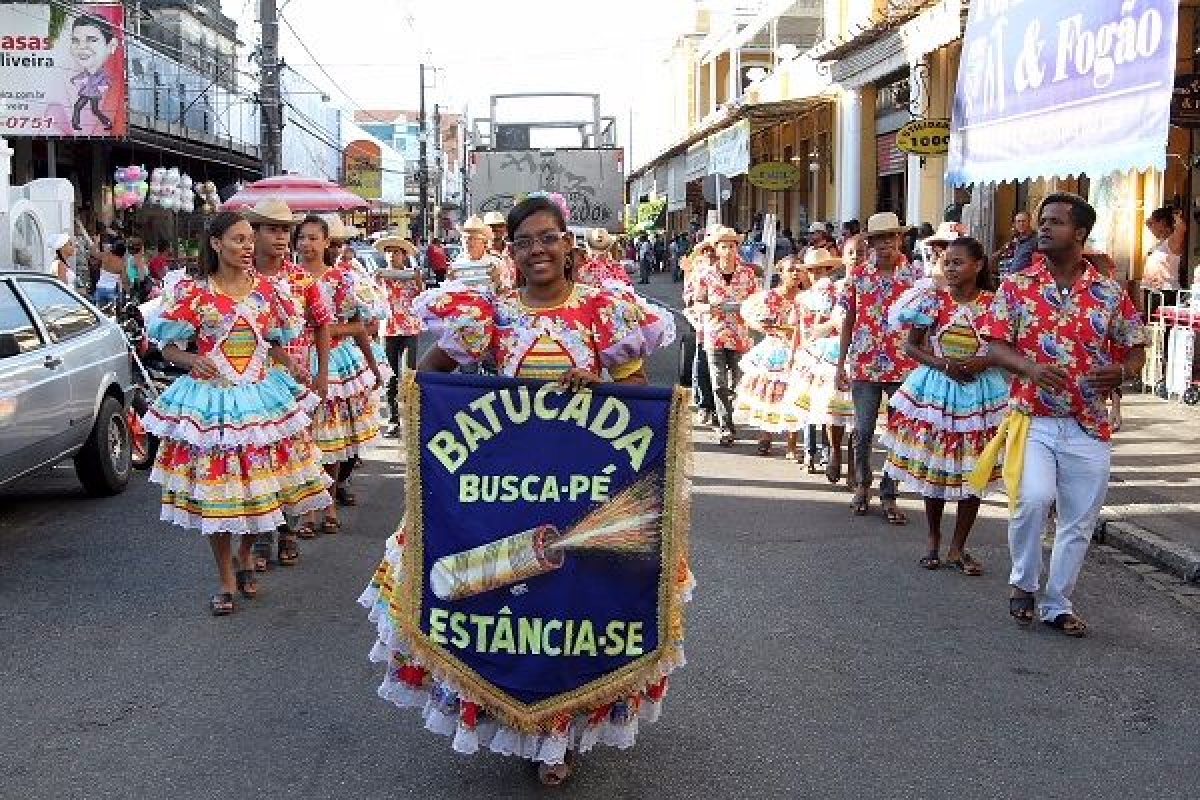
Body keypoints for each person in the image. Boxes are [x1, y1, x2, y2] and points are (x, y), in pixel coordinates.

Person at [363, 194, 678, 786]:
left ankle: (556, 740)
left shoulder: (605, 310)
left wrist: (602, 386)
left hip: (583, 483)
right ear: (510, 251)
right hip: (505, 484)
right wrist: (450, 411)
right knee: (510, 605)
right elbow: (430, 374)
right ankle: (520, 717)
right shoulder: (490, 315)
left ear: (568, 245)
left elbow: (638, 392)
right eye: (525, 241)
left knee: (572, 607)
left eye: (548, 237)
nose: (538, 250)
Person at [142, 211, 331, 615]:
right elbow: (167, 347)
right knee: (220, 493)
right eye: (238, 239)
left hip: (261, 401)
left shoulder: (268, 292)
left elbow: (273, 341)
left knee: (262, 489)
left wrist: (292, 364)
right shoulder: (194, 294)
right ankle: (226, 579)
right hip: (215, 405)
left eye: (249, 239)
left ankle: (246, 554)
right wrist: (191, 359)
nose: (247, 247)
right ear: (216, 244)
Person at [976, 192, 1146, 636]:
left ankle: (1057, 603)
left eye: (1056, 221)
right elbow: (993, 346)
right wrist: (1030, 368)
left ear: (1081, 232)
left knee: (1079, 519)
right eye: (1043, 220)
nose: (1045, 228)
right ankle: (1023, 582)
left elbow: (1135, 347)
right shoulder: (1017, 286)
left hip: (1088, 424)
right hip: (1032, 419)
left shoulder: (1109, 292)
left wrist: (1122, 371)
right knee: (1032, 500)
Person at [883, 237, 1007, 575]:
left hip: (980, 395)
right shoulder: (932, 300)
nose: (950, 268)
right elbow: (912, 346)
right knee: (935, 464)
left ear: (978, 265)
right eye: (947, 262)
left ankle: (958, 547)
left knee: (975, 469)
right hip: (937, 391)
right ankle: (933, 540)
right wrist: (943, 364)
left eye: (958, 262)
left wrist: (983, 362)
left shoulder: (995, 304)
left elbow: (1006, 348)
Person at [244, 197, 333, 564]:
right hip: (250, 384)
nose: (281, 237)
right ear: (255, 233)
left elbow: (322, 324)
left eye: (285, 230)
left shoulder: (302, 280)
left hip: (295, 384)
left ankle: (288, 530)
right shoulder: (240, 279)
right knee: (258, 460)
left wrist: (322, 374)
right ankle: (262, 536)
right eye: (272, 229)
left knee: (292, 459)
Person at [293, 216, 383, 534]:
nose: (306, 244)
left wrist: (373, 366)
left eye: (313, 238)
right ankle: (306, 509)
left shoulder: (340, 280)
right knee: (302, 438)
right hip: (294, 362)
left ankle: (328, 502)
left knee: (330, 439)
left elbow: (359, 326)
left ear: (326, 242)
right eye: (301, 237)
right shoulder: (286, 278)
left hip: (332, 362)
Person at [835, 211, 919, 524]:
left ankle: (889, 494)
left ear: (899, 239)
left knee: (898, 433)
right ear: (870, 243)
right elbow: (848, 320)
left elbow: (924, 322)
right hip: (864, 363)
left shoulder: (914, 277)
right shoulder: (858, 276)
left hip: (903, 365)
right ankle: (862, 485)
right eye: (878, 239)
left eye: (890, 237)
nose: (885, 244)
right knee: (864, 429)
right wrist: (840, 364)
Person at [733, 254, 810, 458]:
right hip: (774, 349)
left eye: (799, 270)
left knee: (794, 395)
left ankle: (792, 445)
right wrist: (763, 327)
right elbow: (749, 316)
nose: (795, 274)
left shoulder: (806, 297)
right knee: (768, 393)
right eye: (791, 270)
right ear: (781, 273)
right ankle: (765, 436)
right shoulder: (769, 296)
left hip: (799, 349)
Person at [690, 227, 759, 447]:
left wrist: (745, 308)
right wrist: (710, 307)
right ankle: (725, 426)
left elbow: (757, 302)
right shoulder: (706, 274)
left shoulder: (747, 274)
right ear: (716, 249)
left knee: (738, 382)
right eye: (724, 246)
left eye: (732, 246)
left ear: (737, 249)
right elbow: (696, 303)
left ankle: (731, 415)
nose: (728, 250)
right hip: (715, 333)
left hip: (739, 334)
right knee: (718, 382)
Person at [375, 235, 423, 436]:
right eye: (388, 252)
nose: (392, 255)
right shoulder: (380, 276)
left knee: (410, 373)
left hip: (409, 328)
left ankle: (412, 417)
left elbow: (421, 298)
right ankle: (393, 420)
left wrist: (418, 280)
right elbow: (372, 299)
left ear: (403, 255)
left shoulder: (411, 274)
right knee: (390, 376)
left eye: (396, 252)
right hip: (389, 329)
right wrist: (376, 282)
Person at [683, 241, 718, 425]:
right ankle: (704, 403)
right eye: (706, 251)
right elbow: (688, 296)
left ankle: (718, 407)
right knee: (702, 363)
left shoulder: (731, 269)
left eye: (713, 250)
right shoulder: (697, 271)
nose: (710, 254)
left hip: (725, 329)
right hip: (702, 324)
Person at [68, 13, 118, 132]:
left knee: (88, 109)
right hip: (87, 92)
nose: (82, 47)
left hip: (92, 93)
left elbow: (106, 81)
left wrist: (101, 87)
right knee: (86, 108)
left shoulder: (101, 72)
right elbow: (83, 76)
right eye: (75, 40)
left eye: (92, 40)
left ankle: (106, 123)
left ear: (111, 45)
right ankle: (76, 124)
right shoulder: (89, 71)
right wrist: (74, 79)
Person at [1141, 206, 1186, 316]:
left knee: (1161, 324)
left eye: (1153, 223)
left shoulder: (1171, 243)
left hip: (1165, 292)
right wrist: (1155, 220)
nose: (1151, 226)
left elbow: (1181, 228)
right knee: (1151, 323)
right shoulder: (1159, 244)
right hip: (1152, 290)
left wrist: (1176, 216)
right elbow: (1147, 223)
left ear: (1162, 222)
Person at [991, 210, 1037, 279]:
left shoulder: (1036, 240)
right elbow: (1000, 252)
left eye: (1023, 221)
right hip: (1012, 279)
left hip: (1026, 280)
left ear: (1030, 222)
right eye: (1018, 221)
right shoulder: (1016, 240)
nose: (1021, 224)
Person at [94, 239, 127, 306]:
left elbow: (94, 253)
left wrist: (96, 242)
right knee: (111, 311)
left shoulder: (106, 255)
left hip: (100, 287)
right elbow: (124, 279)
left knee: (99, 310)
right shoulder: (122, 263)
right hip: (111, 289)